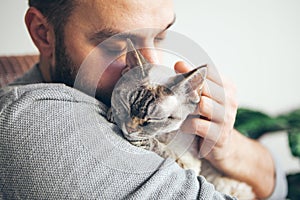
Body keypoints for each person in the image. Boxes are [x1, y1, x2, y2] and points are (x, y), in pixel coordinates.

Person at [0, 0, 287, 199]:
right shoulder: (34, 123)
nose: (150, 68)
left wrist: (226, 147)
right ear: (43, 33)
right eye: (116, 44)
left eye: (161, 37)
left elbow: (279, 186)